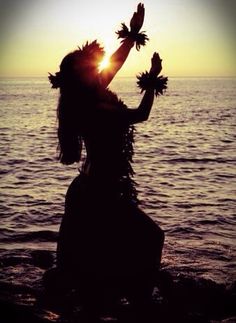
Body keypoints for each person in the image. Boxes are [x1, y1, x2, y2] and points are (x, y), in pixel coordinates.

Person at [47, 2, 167, 316]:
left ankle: (126, 298)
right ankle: (141, 303)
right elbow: (140, 114)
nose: (96, 68)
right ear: (80, 77)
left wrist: (133, 32)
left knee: (101, 258)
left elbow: (115, 61)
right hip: (98, 194)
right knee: (151, 237)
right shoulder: (94, 109)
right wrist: (153, 78)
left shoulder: (93, 92)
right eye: (89, 66)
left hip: (97, 188)